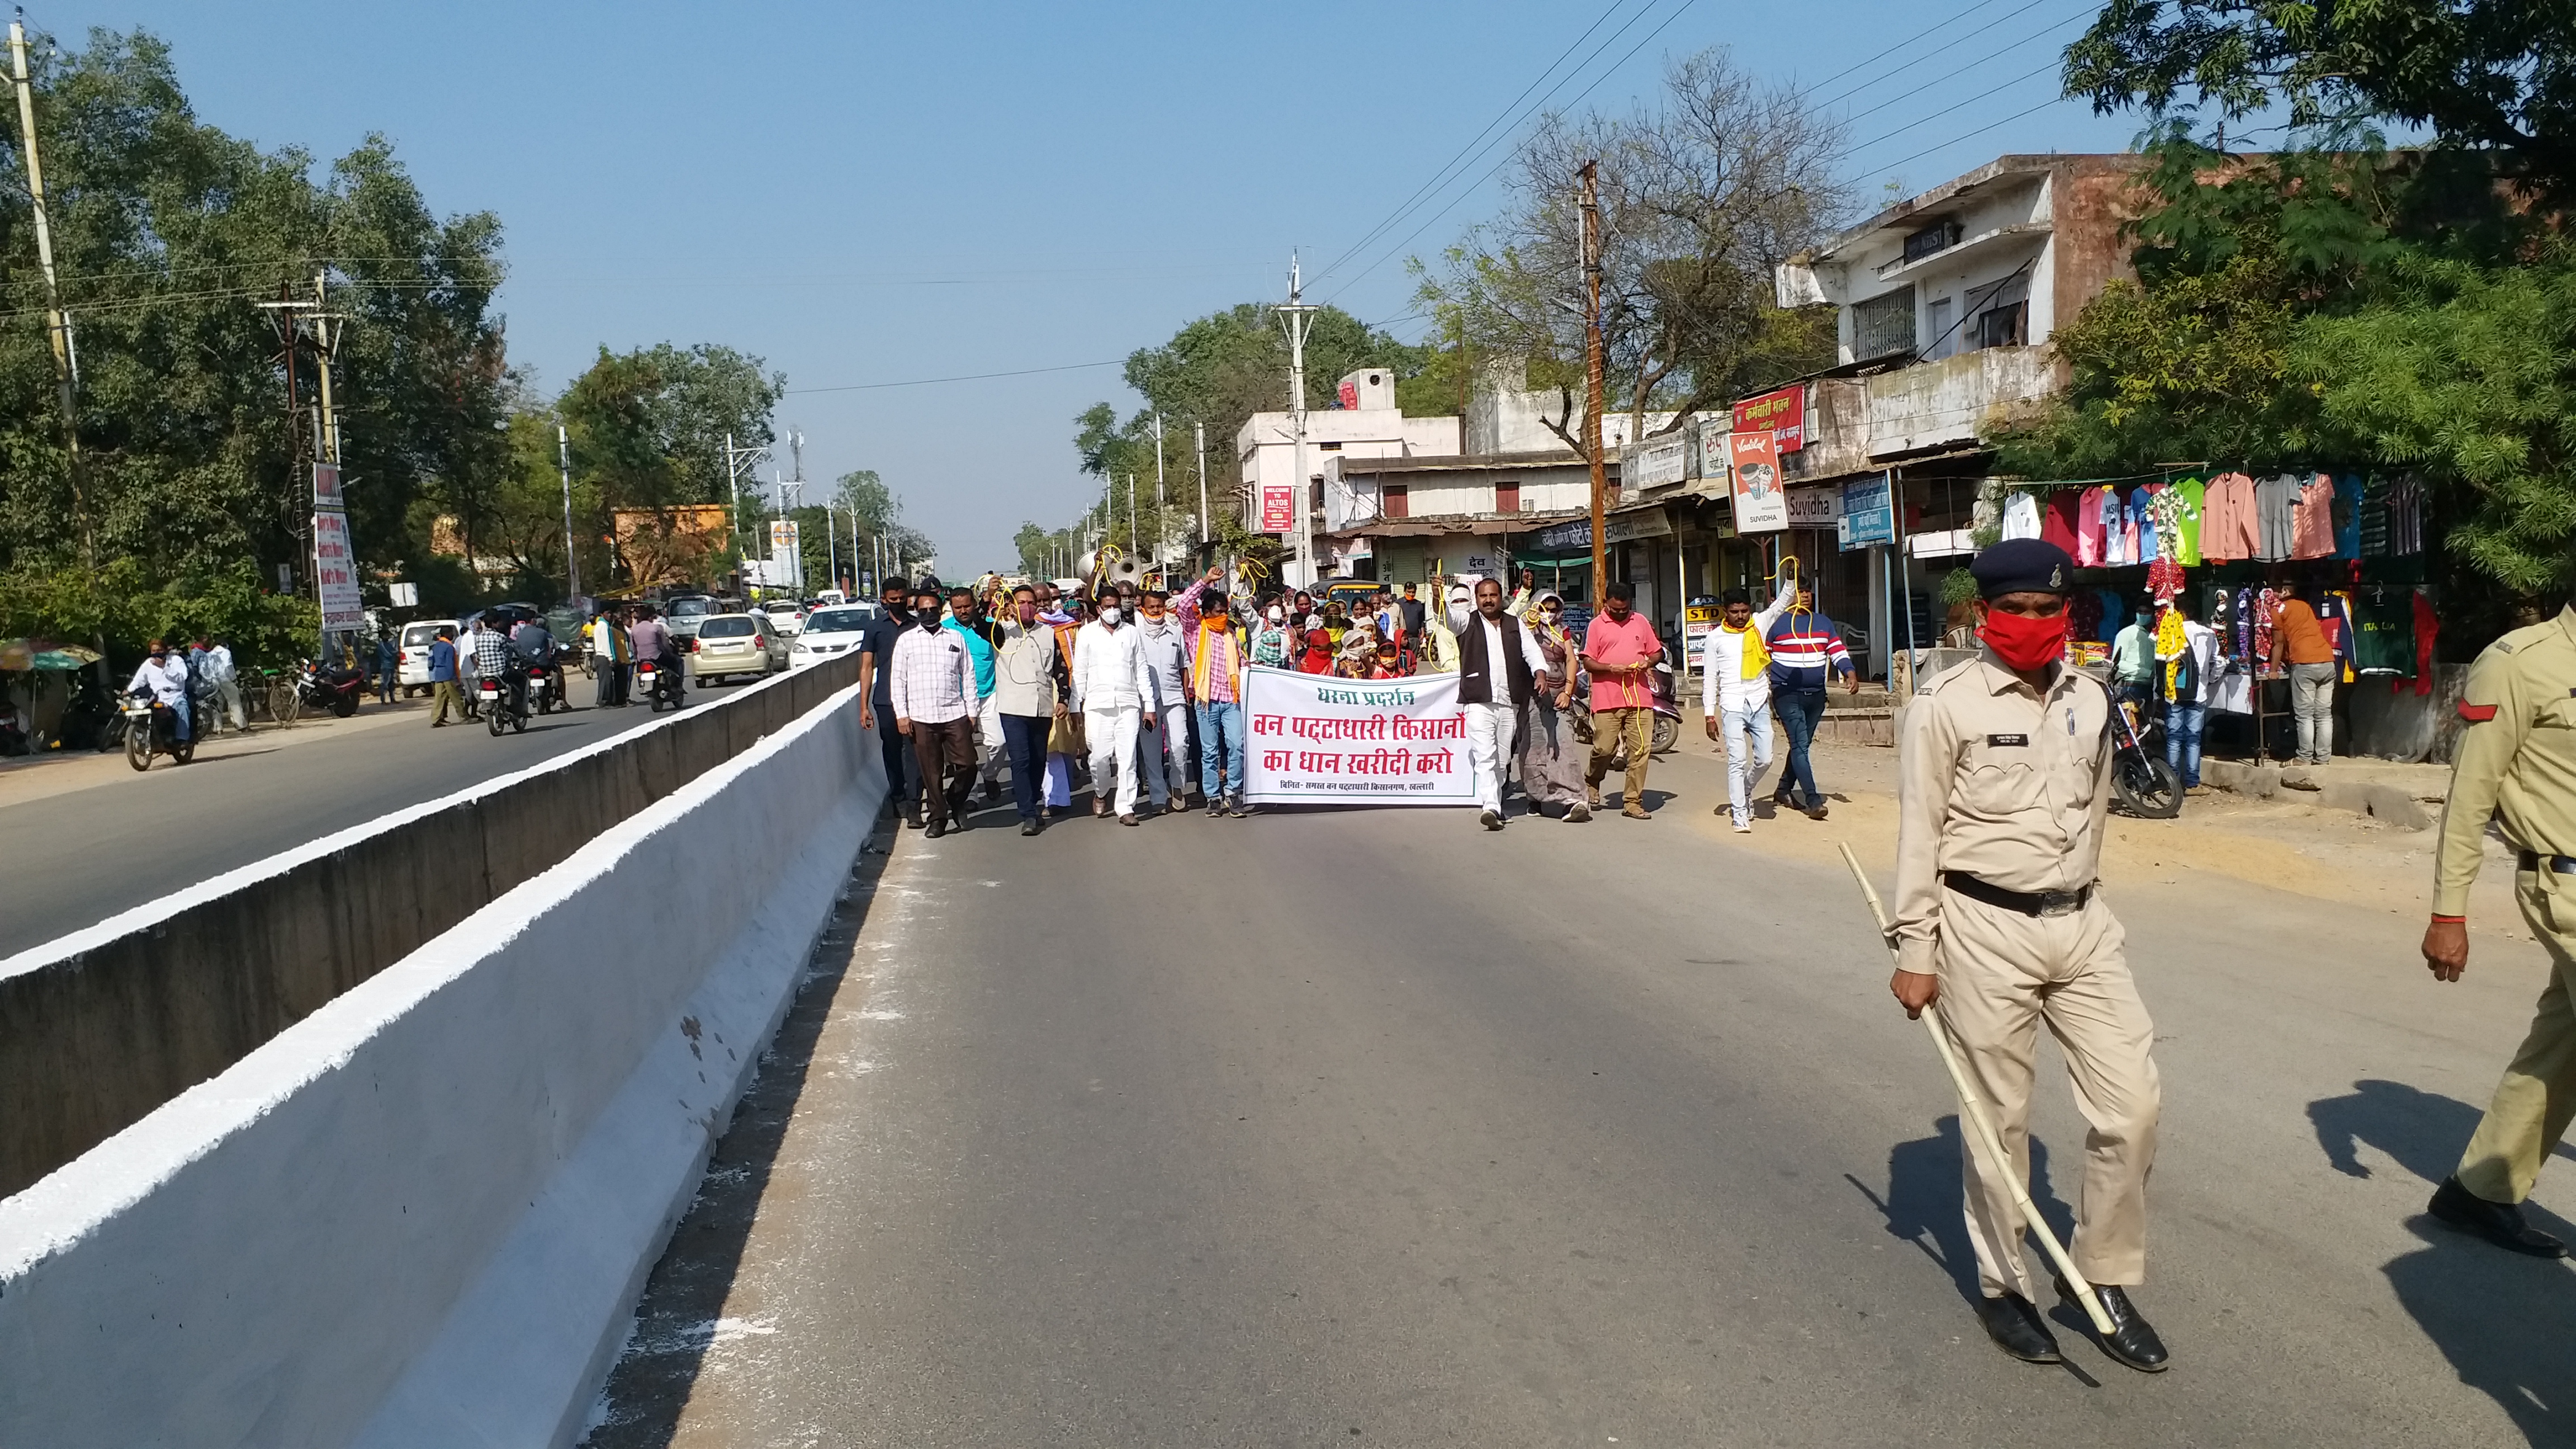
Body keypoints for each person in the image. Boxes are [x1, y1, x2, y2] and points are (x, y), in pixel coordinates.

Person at [1888, 536, 2168, 1375]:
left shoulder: (2090, 697)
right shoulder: (1946, 705)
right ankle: (2007, 1288)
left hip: (2082, 924)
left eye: (2051, 611)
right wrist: (1916, 946)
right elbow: (1919, 832)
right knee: (1999, 1121)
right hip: (1984, 928)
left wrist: (2083, 890)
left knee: (2133, 1106)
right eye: (2019, 610)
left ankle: (2105, 1278)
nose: (2035, 624)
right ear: (1984, 614)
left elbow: (2096, 812)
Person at [2419, 598, 2576, 1259]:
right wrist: (2448, 912)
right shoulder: (2518, 663)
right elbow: (2471, 794)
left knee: (2562, 1047)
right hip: (2565, 884)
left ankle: (2480, 1190)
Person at [1451, 576, 1550, 831]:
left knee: (1501, 757)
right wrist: (1439, 597)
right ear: (1476, 599)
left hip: (1509, 703)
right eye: (1483, 596)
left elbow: (1532, 652)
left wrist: (1540, 673)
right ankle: (1491, 807)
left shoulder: (1515, 624)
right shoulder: (1467, 622)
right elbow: (1450, 618)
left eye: (1492, 595)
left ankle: (1495, 801)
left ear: (1501, 598)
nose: (1488, 600)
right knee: (1485, 755)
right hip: (1478, 701)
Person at [1700, 579, 1796, 834]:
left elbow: (1781, 604)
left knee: (1765, 759)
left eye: (1744, 611)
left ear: (1749, 609)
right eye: (1735, 612)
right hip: (1731, 704)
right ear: (1725, 611)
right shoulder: (1715, 638)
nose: (1741, 616)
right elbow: (1710, 678)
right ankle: (1739, 812)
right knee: (1737, 760)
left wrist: (1790, 579)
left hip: (1759, 701)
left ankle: (1745, 789)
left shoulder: (1759, 625)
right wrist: (1710, 715)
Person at [888, 580, 979, 839]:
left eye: (933, 610)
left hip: (954, 713)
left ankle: (955, 798)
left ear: (941, 611)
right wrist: (902, 715)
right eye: (923, 610)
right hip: (920, 716)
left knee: (968, 765)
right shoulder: (906, 641)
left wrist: (971, 712)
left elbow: (968, 675)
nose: (928, 614)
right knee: (931, 772)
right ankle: (938, 818)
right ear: (916, 612)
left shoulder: (955, 638)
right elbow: (898, 680)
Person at [1764, 583, 1860, 821]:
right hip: (1787, 694)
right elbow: (1761, 657)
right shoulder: (1775, 624)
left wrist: (1850, 673)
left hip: (1816, 695)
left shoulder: (1822, 623)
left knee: (1801, 746)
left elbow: (1837, 650)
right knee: (1799, 745)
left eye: (1807, 591)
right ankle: (1813, 800)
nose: (1804, 595)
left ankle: (1784, 789)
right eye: (1799, 591)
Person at [1071, 586, 1157, 824]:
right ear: (1099, 608)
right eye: (1107, 606)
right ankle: (1100, 792)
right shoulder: (1087, 633)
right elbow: (1080, 672)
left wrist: (1149, 705)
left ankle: (1126, 808)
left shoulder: (1131, 633)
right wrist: (1074, 706)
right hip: (1097, 706)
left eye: (1116, 606)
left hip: (1128, 704)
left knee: (1128, 759)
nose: (1112, 610)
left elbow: (1141, 670)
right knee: (1099, 758)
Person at [1581, 580, 1663, 820]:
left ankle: (1632, 801)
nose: (1619, 613)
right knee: (1604, 748)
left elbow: (1657, 651)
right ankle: (1593, 779)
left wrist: (1649, 662)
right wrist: (1610, 668)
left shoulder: (1640, 621)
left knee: (1640, 751)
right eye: (1614, 609)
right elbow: (1588, 661)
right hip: (1607, 698)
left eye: (1624, 610)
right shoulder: (1596, 625)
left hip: (1639, 698)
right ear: (1606, 602)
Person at [1176, 568, 1249, 816]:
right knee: (1210, 752)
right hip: (1206, 701)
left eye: (1226, 612)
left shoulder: (1231, 636)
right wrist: (1205, 581)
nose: (1224, 616)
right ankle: (1213, 796)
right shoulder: (1196, 631)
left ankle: (1233, 792)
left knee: (1236, 745)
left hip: (1230, 700)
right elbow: (1184, 605)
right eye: (1219, 612)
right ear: (1207, 614)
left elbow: (1242, 663)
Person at [991, 585, 1061, 836]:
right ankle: (1028, 813)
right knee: (1020, 760)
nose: (1028, 607)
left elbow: (1060, 668)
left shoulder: (1048, 633)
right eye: (1022, 603)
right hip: (1013, 707)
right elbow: (979, 624)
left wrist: (1063, 699)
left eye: (1032, 603)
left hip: (1042, 707)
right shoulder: (1001, 633)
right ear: (1012, 605)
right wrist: (989, 598)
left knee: (1038, 760)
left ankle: (1032, 800)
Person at [856, 577, 922, 825]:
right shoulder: (875, 628)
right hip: (885, 700)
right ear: (883, 599)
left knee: (914, 751)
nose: (898, 603)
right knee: (892, 751)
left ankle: (915, 798)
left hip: (915, 698)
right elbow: (866, 667)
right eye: (892, 600)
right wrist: (863, 706)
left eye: (902, 599)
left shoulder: (917, 626)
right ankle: (899, 797)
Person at [1521, 591, 1589, 822]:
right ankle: (1536, 797)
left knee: (1563, 745)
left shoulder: (1562, 630)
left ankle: (1572, 799)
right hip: (1533, 696)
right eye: (1543, 609)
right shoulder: (1524, 628)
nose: (1547, 614)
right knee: (1534, 746)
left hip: (1560, 695)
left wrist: (1568, 691)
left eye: (1552, 609)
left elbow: (1571, 659)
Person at [1133, 589, 1195, 815]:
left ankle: (1177, 786)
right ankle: (1158, 795)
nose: (1156, 611)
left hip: (1175, 696)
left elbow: (1183, 665)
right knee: (1151, 751)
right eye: (1152, 607)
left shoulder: (1175, 632)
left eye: (1160, 606)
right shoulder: (1135, 635)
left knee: (1180, 744)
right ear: (1144, 609)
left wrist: (1187, 692)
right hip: (1147, 702)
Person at [944, 585, 1007, 804]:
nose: (963, 611)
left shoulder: (988, 628)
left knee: (999, 743)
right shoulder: (944, 631)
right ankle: (970, 795)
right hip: (957, 699)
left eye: (967, 606)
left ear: (974, 604)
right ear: (951, 608)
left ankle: (990, 775)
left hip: (989, 693)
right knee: (964, 753)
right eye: (957, 607)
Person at [2275, 580, 2337, 764]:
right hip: (2327, 660)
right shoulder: (2305, 606)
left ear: (2285, 591)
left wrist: (2272, 669)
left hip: (2305, 662)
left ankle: (2304, 757)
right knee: (2324, 714)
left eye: (2276, 590)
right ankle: (2324, 758)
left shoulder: (2280, 608)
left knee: (2304, 714)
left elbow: (2278, 643)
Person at [2162, 594, 2218, 793]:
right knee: (2193, 738)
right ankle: (2193, 782)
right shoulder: (2208, 634)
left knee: (2174, 738)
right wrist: (2209, 679)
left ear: (2181, 613)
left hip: (2174, 692)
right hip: (2199, 693)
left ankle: (2172, 782)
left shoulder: (2170, 631)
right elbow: (2218, 661)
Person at [127, 640, 191, 745]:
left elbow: (183, 677)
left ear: (165, 650)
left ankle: (182, 739)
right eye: (154, 651)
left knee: (183, 707)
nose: (157, 653)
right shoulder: (148, 664)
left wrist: (164, 667)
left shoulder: (176, 661)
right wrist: (128, 691)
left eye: (159, 650)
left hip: (176, 695)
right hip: (158, 697)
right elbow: (138, 681)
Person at [2109, 603, 2157, 707]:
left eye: (2147, 612)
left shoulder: (2155, 636)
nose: (2143, 615)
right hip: (2132, 685)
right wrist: (2147, 673)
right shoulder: (2127, 633)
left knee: (2147, 721)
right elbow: (2118, 664)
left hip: (2151, 687)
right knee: (2132, 721)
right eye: (2140, 612)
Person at [509, 612, 556, 714]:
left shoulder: (520, 634)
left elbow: (517, 649)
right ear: (533, 620)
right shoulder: (543, 633)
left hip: (527, 665)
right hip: (542, 664)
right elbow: (550, 646)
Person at [473, 614, 518, 718]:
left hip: (483, 673)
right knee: (516, 681)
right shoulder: (500, 637)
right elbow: (508, 655)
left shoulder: (478, 638)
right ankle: (515, 707)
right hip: (499, 672)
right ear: (494, 624)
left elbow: (477, 655)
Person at [202, 634, 245, 734]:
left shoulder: (210, 654)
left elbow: (205, 669)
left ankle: (218, 728)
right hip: (225, 679)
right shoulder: (226, 652)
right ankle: (240, 725)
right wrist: (233, 678)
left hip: (214, 681)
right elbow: (228, 666)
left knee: (217, 704)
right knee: (234, 702)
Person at [594, 603, 631, 708]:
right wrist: (610, 658)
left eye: (610, 613)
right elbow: (607, 642)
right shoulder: (603, 625)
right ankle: (603, 702)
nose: (610, 615)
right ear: (602, 614)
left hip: (604, 655)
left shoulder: (603, 624)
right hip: (604, 656)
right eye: (607, 613)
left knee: (607, 680)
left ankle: (609, 700)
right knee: (606, 681)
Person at [427, 627, 463, 726]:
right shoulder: (449, 647)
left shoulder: (436, 646)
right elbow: (450, 664)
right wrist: (455, 679)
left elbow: (432, 663)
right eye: (451, 633)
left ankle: (436, 719)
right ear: (447, 634)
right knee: (456, 697)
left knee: (439, 699)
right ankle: (464, 717)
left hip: (438, 674)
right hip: (448, 675)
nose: (453, 636)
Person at [372, 629, 398, 705]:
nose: (387, 637)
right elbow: (388, 654)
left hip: (391, 666)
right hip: (385, 666)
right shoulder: (381, 645)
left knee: (392, 684)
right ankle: (383, 700)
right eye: (385, 635)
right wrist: (395, 653)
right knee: (385, 683)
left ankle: (392, 699)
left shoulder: (389, 644)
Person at [1397, 582, 1427, 648]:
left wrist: (1423, 633)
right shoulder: (1398, 604)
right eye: (1409, 592)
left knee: (1414, 657)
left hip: (1415, 637)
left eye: (1413, 592)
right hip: (1403, 638)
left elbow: (1421, 620)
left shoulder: (1418, 604)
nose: (1411, 594)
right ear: (1405, 592)